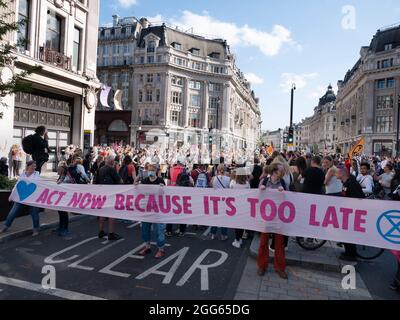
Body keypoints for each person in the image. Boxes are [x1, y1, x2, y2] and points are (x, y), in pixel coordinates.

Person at [257, 163, 288, 279]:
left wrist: (284, 192)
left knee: (279, 243)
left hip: (279, 216)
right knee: (264, 241)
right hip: (266, 216)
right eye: (281, 170)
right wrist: (261, 191)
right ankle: (262, 265)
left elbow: (289, 199)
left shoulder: (283, 183)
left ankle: (280, 268)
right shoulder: (264, 181)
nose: (283, 171)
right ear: (275, 171)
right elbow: (257, 198)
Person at [1, 161, 41, 236]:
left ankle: (36, 229)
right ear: (28, 166)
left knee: (34, 213)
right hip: (21, 197)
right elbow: (17, 185)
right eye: (32, 166)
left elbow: (38, 184)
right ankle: (6, 226)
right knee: (13, 212)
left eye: (35, 166)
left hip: (32, 198)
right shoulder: (23, 174)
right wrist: (11, 196)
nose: (34, 168)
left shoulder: (37, 174)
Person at [336, 166, 365, 261]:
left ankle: (351, 254)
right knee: (346, 233)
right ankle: (348, 251)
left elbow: (356, 199)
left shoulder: (351, 183)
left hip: (352, 213)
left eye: (337, 172)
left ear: (342, 173)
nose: (335, 174)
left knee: (349, 234)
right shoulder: (346, 182)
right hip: (347, 212)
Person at [137, 164, 167, 259]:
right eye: (149, 170)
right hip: (147, 209)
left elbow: (164, 193)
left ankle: (161, 249)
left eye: (152, 170)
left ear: (156, 171)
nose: (150, 172)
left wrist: (162, 188)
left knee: (159, 230)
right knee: (145, 229)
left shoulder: (160, 181)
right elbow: (138, 189)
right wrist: (136, 180)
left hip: (157, 209)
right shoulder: (145, 181)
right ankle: (147, 246)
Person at [97, 155, 123, 241]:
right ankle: (111, 233)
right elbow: (119, 180)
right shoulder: (111, 169)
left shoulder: (101, 169)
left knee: (102, 212)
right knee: (111, 213)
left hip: (101, 192)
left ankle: (101, 231)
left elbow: (96, 180)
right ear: (112, 161)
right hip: (110, 193)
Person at [230, 167, 250, 248]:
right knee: (242, 224)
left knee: (237, 224)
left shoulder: (233, 183)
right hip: (244, 205)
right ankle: (239, 238)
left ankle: (237, 240)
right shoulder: (247, 184)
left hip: (235, 206)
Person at [210, 164, 230, 240]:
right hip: (225, 200)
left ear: (217, 170)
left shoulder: (213, 178)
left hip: (215, 200)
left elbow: (211, 186)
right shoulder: (228, 179)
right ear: (225, 170)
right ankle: (223, 235)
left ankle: (213, 234)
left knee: (215, 217)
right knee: (224, 218)